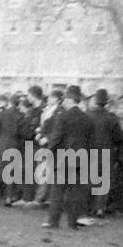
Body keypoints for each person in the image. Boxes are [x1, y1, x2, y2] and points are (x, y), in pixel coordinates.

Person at [44, 85, 93, 230]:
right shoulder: (87, 118)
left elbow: (56, 138)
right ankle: (72, 222)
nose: (63, 101)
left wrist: (50, 151)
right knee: (75, 192)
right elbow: (91, 140)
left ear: (71, 99)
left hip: (63, 157)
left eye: (65, 99)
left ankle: (54, 221)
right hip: (80, 159)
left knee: (58, 191)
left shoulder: (62, 116)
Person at [86, 89, 122, 218]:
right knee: (103, 182)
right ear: (106, 102)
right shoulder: (112, 118)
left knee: (90, 180)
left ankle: (89, 207)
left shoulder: (88, 115)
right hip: (107, 152)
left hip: (90, 152)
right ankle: (99, 208)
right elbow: (119, 137)